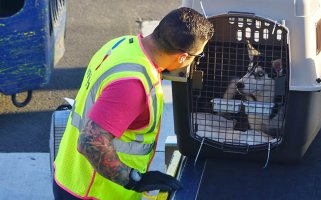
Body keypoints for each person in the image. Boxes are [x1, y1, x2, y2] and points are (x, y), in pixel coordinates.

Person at [53, 7, 214, 200]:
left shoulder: (122, 44)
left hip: (69, 175)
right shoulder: (134, 86)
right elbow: (90, 142)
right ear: (182, 57)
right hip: (95, 192)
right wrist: (134, 180)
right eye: (197, 56)